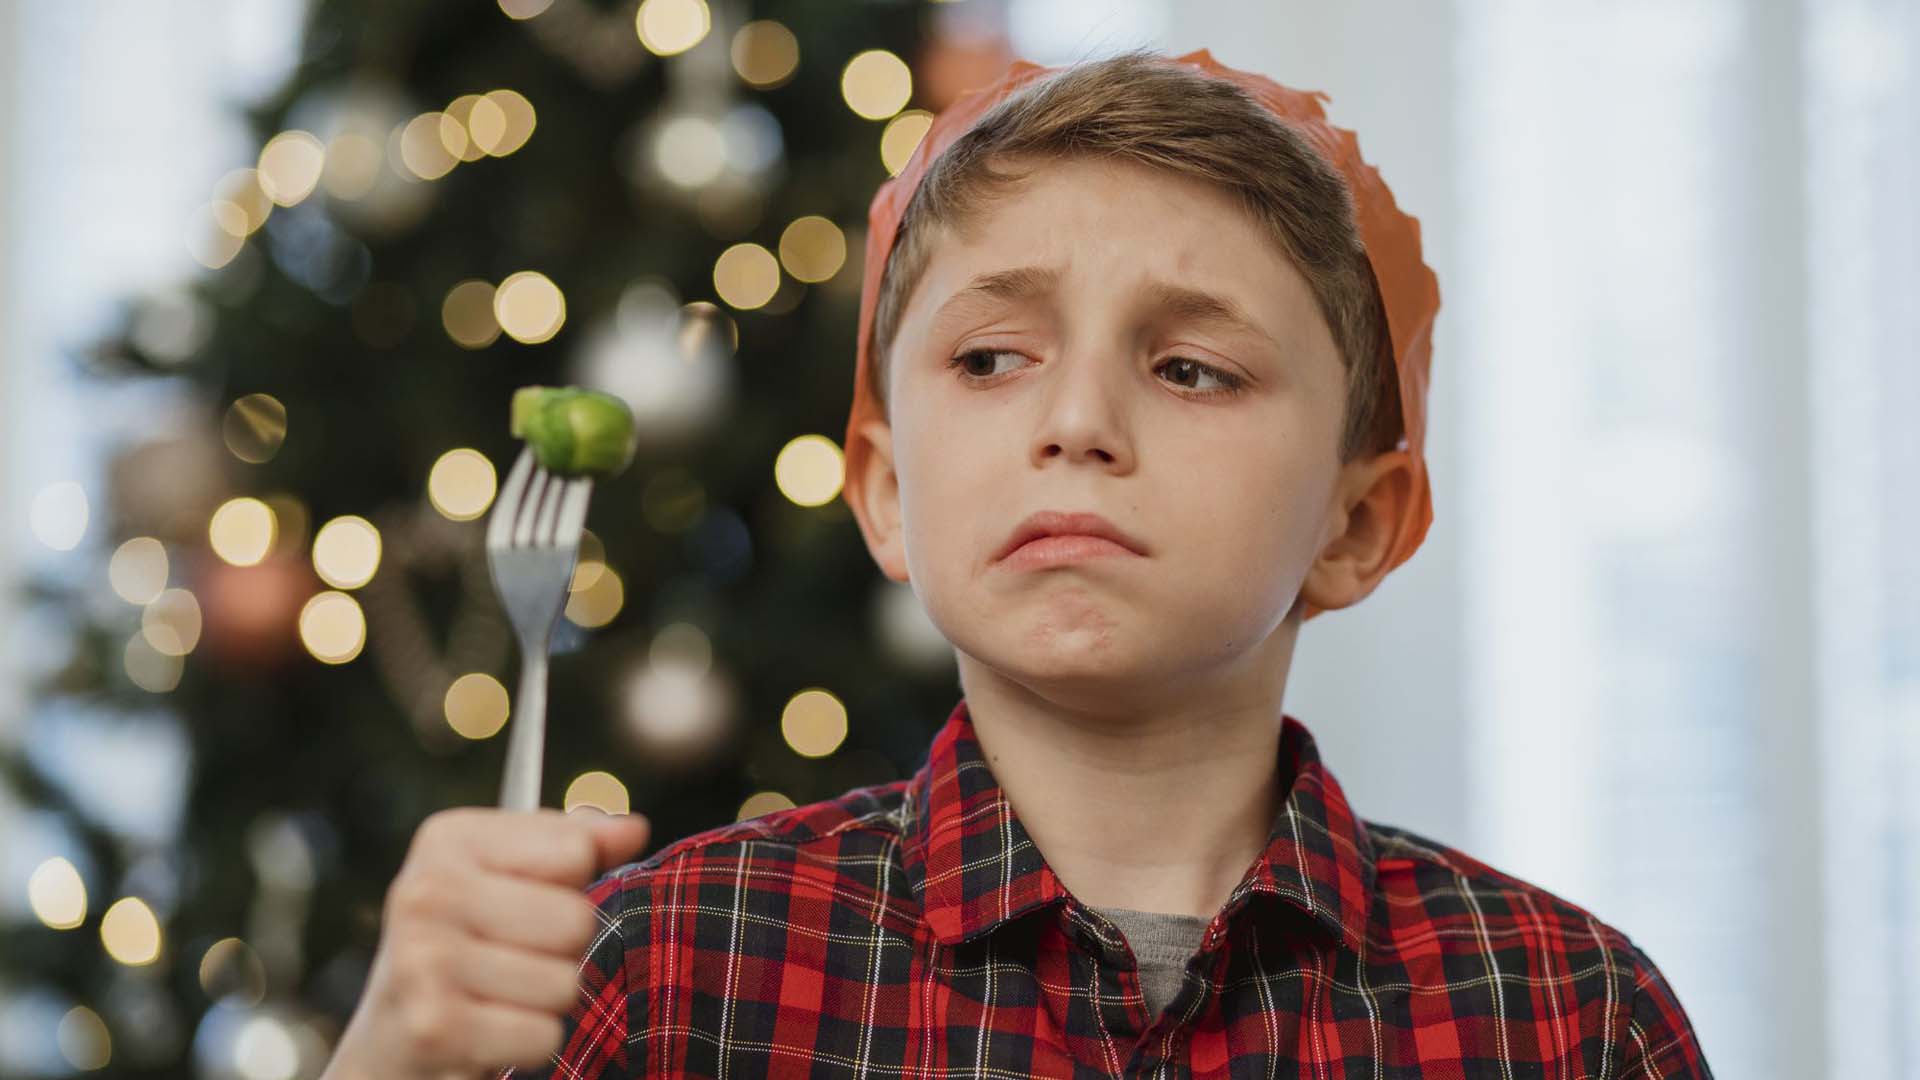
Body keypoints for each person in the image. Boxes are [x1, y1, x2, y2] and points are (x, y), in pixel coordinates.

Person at [322, 48, 1713, 1078]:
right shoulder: (661, 971)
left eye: (1191, 367)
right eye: (992, 357)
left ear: (1356, 524)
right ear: (883, 494)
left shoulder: (1566, 1014)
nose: (1077, 423)